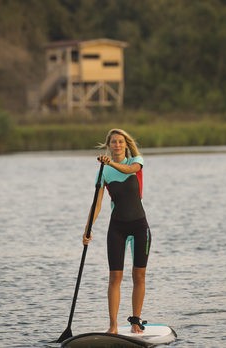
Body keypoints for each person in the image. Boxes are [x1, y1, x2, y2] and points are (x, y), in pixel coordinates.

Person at [83, 128, 152, 335]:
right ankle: (113, 326)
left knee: (139, 276)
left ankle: (135, 322)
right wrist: (87, 228)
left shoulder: (136, 161)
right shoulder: (102, 172)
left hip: (140, 226)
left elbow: (129, 171)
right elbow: (97, 204)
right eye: (113, 142)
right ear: (108, 145)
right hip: (117, 228)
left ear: (126, 144)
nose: (118, 145)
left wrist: (110, 163)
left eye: (121, 142)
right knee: (115, 277)